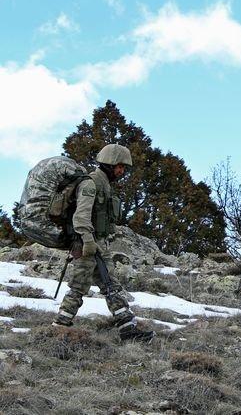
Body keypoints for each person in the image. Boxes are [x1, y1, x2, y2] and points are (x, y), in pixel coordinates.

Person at [52, 143, 154, 343]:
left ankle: (128, 329)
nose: (122, 171)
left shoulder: (105, 184)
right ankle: (58, 329)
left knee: (111, 285)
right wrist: (88, 241)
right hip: (85, 245)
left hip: (99, 244)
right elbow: (81, 217)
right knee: (79, 287)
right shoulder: (91, 184)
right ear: (109, 163)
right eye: (120, 166)